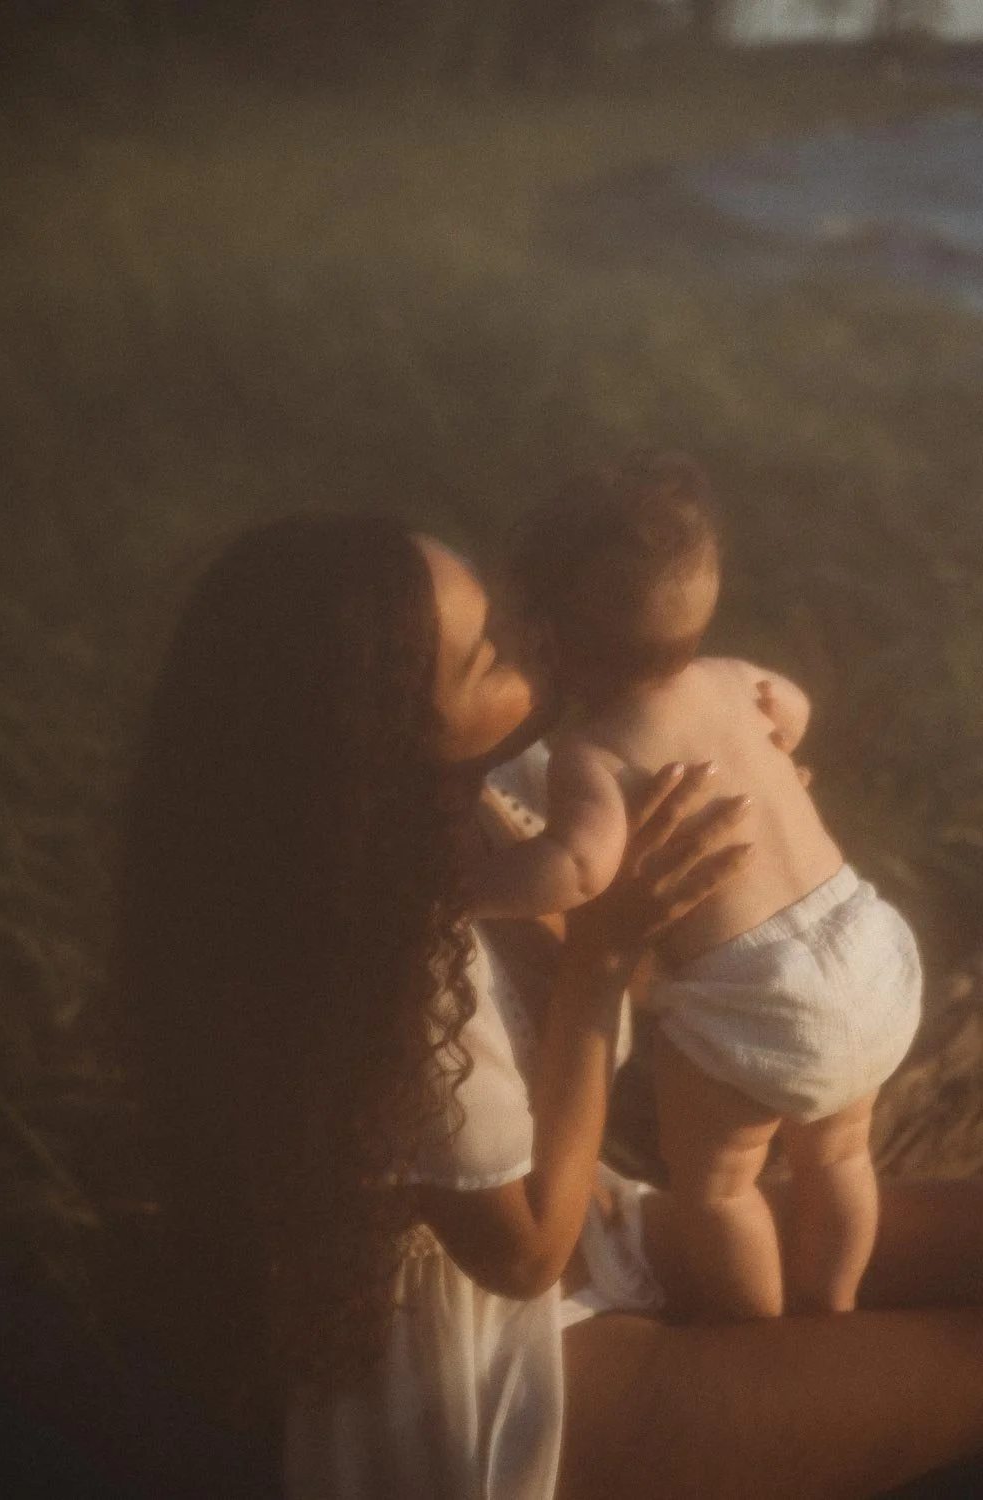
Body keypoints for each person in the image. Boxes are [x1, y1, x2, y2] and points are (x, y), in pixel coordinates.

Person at [111, 510, 983, 1500]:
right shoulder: (379, 964)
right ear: (385, 731)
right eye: (483, 653)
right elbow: (523, 1257)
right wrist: (603, 958)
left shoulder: (502, 799)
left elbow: (656, 987)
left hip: (610, 1232)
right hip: (500, 1375)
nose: (526, 637)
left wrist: (730, 886)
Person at [469, 450, 922, 1320]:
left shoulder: (591, 750)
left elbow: (579, 866)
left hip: (761, 997)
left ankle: (760, 1340)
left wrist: (476, 887)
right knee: (839, 1158)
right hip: (863, 944)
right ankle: (833, 1307)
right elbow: (792, 706)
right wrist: (781, 735)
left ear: (555, 645)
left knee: (716, 1189)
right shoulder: (735, 680)